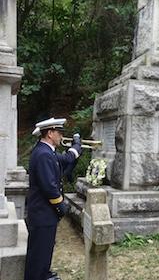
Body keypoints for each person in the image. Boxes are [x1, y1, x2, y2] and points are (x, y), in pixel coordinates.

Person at [25, 118, 82, 280]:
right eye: (59, 133)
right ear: (50, 133)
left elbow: (64, 162)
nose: (61, 136)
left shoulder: (46, 151)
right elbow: (49, 187)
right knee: (39, 250)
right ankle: (37, 276)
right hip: (43, 212)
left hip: (44, 212)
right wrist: (60, 205)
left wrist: (76, 149)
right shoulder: (43, 154)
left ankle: (43, 273)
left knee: (45, 247)